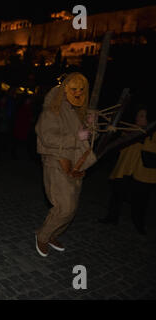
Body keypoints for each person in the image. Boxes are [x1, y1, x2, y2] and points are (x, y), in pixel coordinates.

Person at [34, 72, 96, 257]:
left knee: (71, 209)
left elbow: (86, 140)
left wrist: (91, 127)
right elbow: (47, 137)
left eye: (81, 89)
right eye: (74, 89)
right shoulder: (52, 111)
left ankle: (53, 233)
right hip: (56, 161)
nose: (78, 93)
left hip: (77, 163)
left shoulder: (76, 112)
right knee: (65, 206)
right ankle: (43, 236)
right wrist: (76, 137)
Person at [98, 106, 156, 235]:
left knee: (141, 201)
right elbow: (119, 147)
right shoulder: (130, 130)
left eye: (141, 116)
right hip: (125, 170)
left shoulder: (153, 134)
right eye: (138, 115)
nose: (137, 117)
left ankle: (139, 224)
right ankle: (111, 218)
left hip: (142, 175)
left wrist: (144, 139)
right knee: (117, 195)